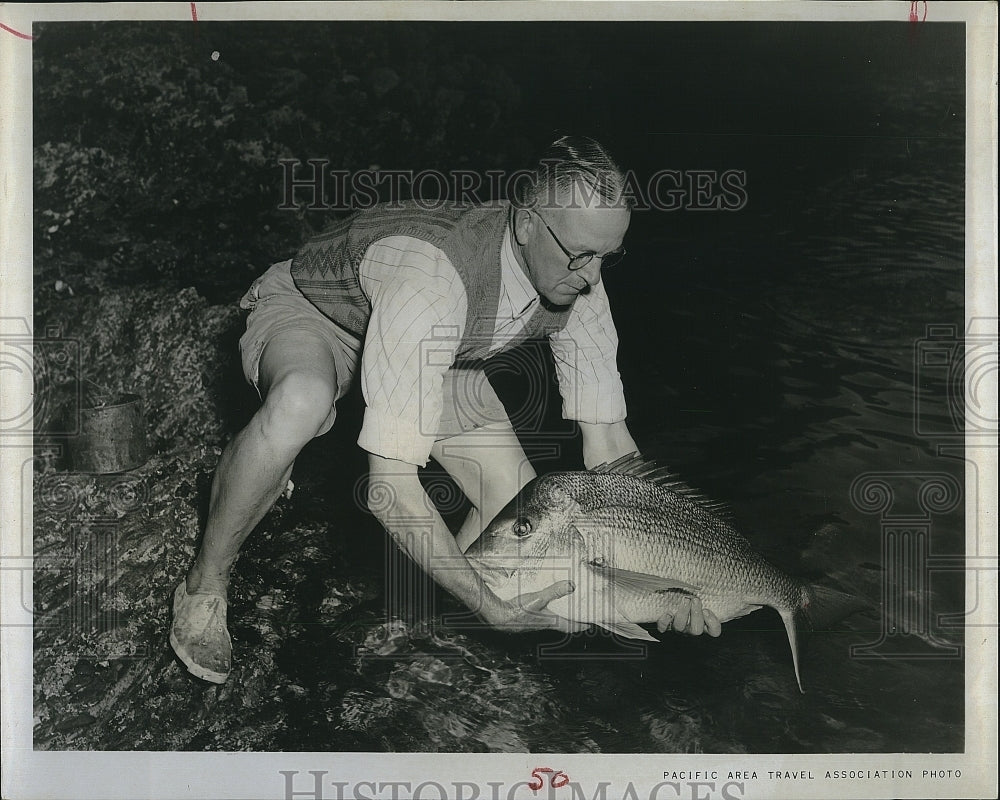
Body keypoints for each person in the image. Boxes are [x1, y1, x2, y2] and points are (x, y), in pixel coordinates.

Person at [169, 136, 721, 684]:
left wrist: (666, 584)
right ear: (526, 223)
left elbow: (610, 448)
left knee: (526, 527)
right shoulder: (432, 280)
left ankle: (432, 638)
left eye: (608, 256)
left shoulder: (581, 284)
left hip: (439, 352)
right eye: (580, 254)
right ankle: (204, 587)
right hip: (321, 318)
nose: (594, 276)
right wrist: (490, 608)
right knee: (301, 402)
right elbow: (391, 490)